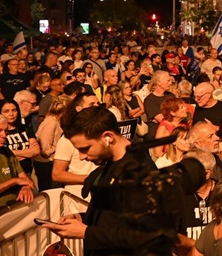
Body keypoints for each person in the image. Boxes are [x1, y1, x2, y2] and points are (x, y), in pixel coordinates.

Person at [44, 106, 191, 254]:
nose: (82, 156)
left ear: (108, 137)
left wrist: (86, 232)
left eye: (85, 148)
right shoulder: (109, 164)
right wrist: (84, 218)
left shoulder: (139, 172)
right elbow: (114, 217)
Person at [34, 94, 71, 191]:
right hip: (46, 164)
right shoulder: (51, 122)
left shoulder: (58, 121)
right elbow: (45, 149)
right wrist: (58, 150)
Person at [0, 99, 40, 177]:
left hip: (27, 172)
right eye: (6, 111)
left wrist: (10, 152)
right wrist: (28, 153)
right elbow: (1, 156)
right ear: (0, 113)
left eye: (14, 110)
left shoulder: (25, 128)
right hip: (7, 174)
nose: (11, 114)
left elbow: (36, 151)